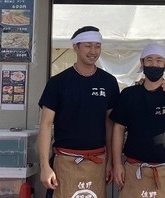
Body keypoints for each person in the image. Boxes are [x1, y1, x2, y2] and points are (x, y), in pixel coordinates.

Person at [37, 26, 120, 198]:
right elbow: (45, 124)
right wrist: (45, 166)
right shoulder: (58, 82)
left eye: (97, 46)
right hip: (64, 161)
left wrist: (111, 161)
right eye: (88, 46)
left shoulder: (109, 82)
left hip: (97, 161)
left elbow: (110, 124)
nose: (93, 51)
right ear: (75, 47)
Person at [109, 43, 165, 197]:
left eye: (159, 60)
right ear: (142, 63)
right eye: (149, 60)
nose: (154, 64)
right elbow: (118, 129)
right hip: (135, 169)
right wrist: (117, 164)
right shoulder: (129, 95)